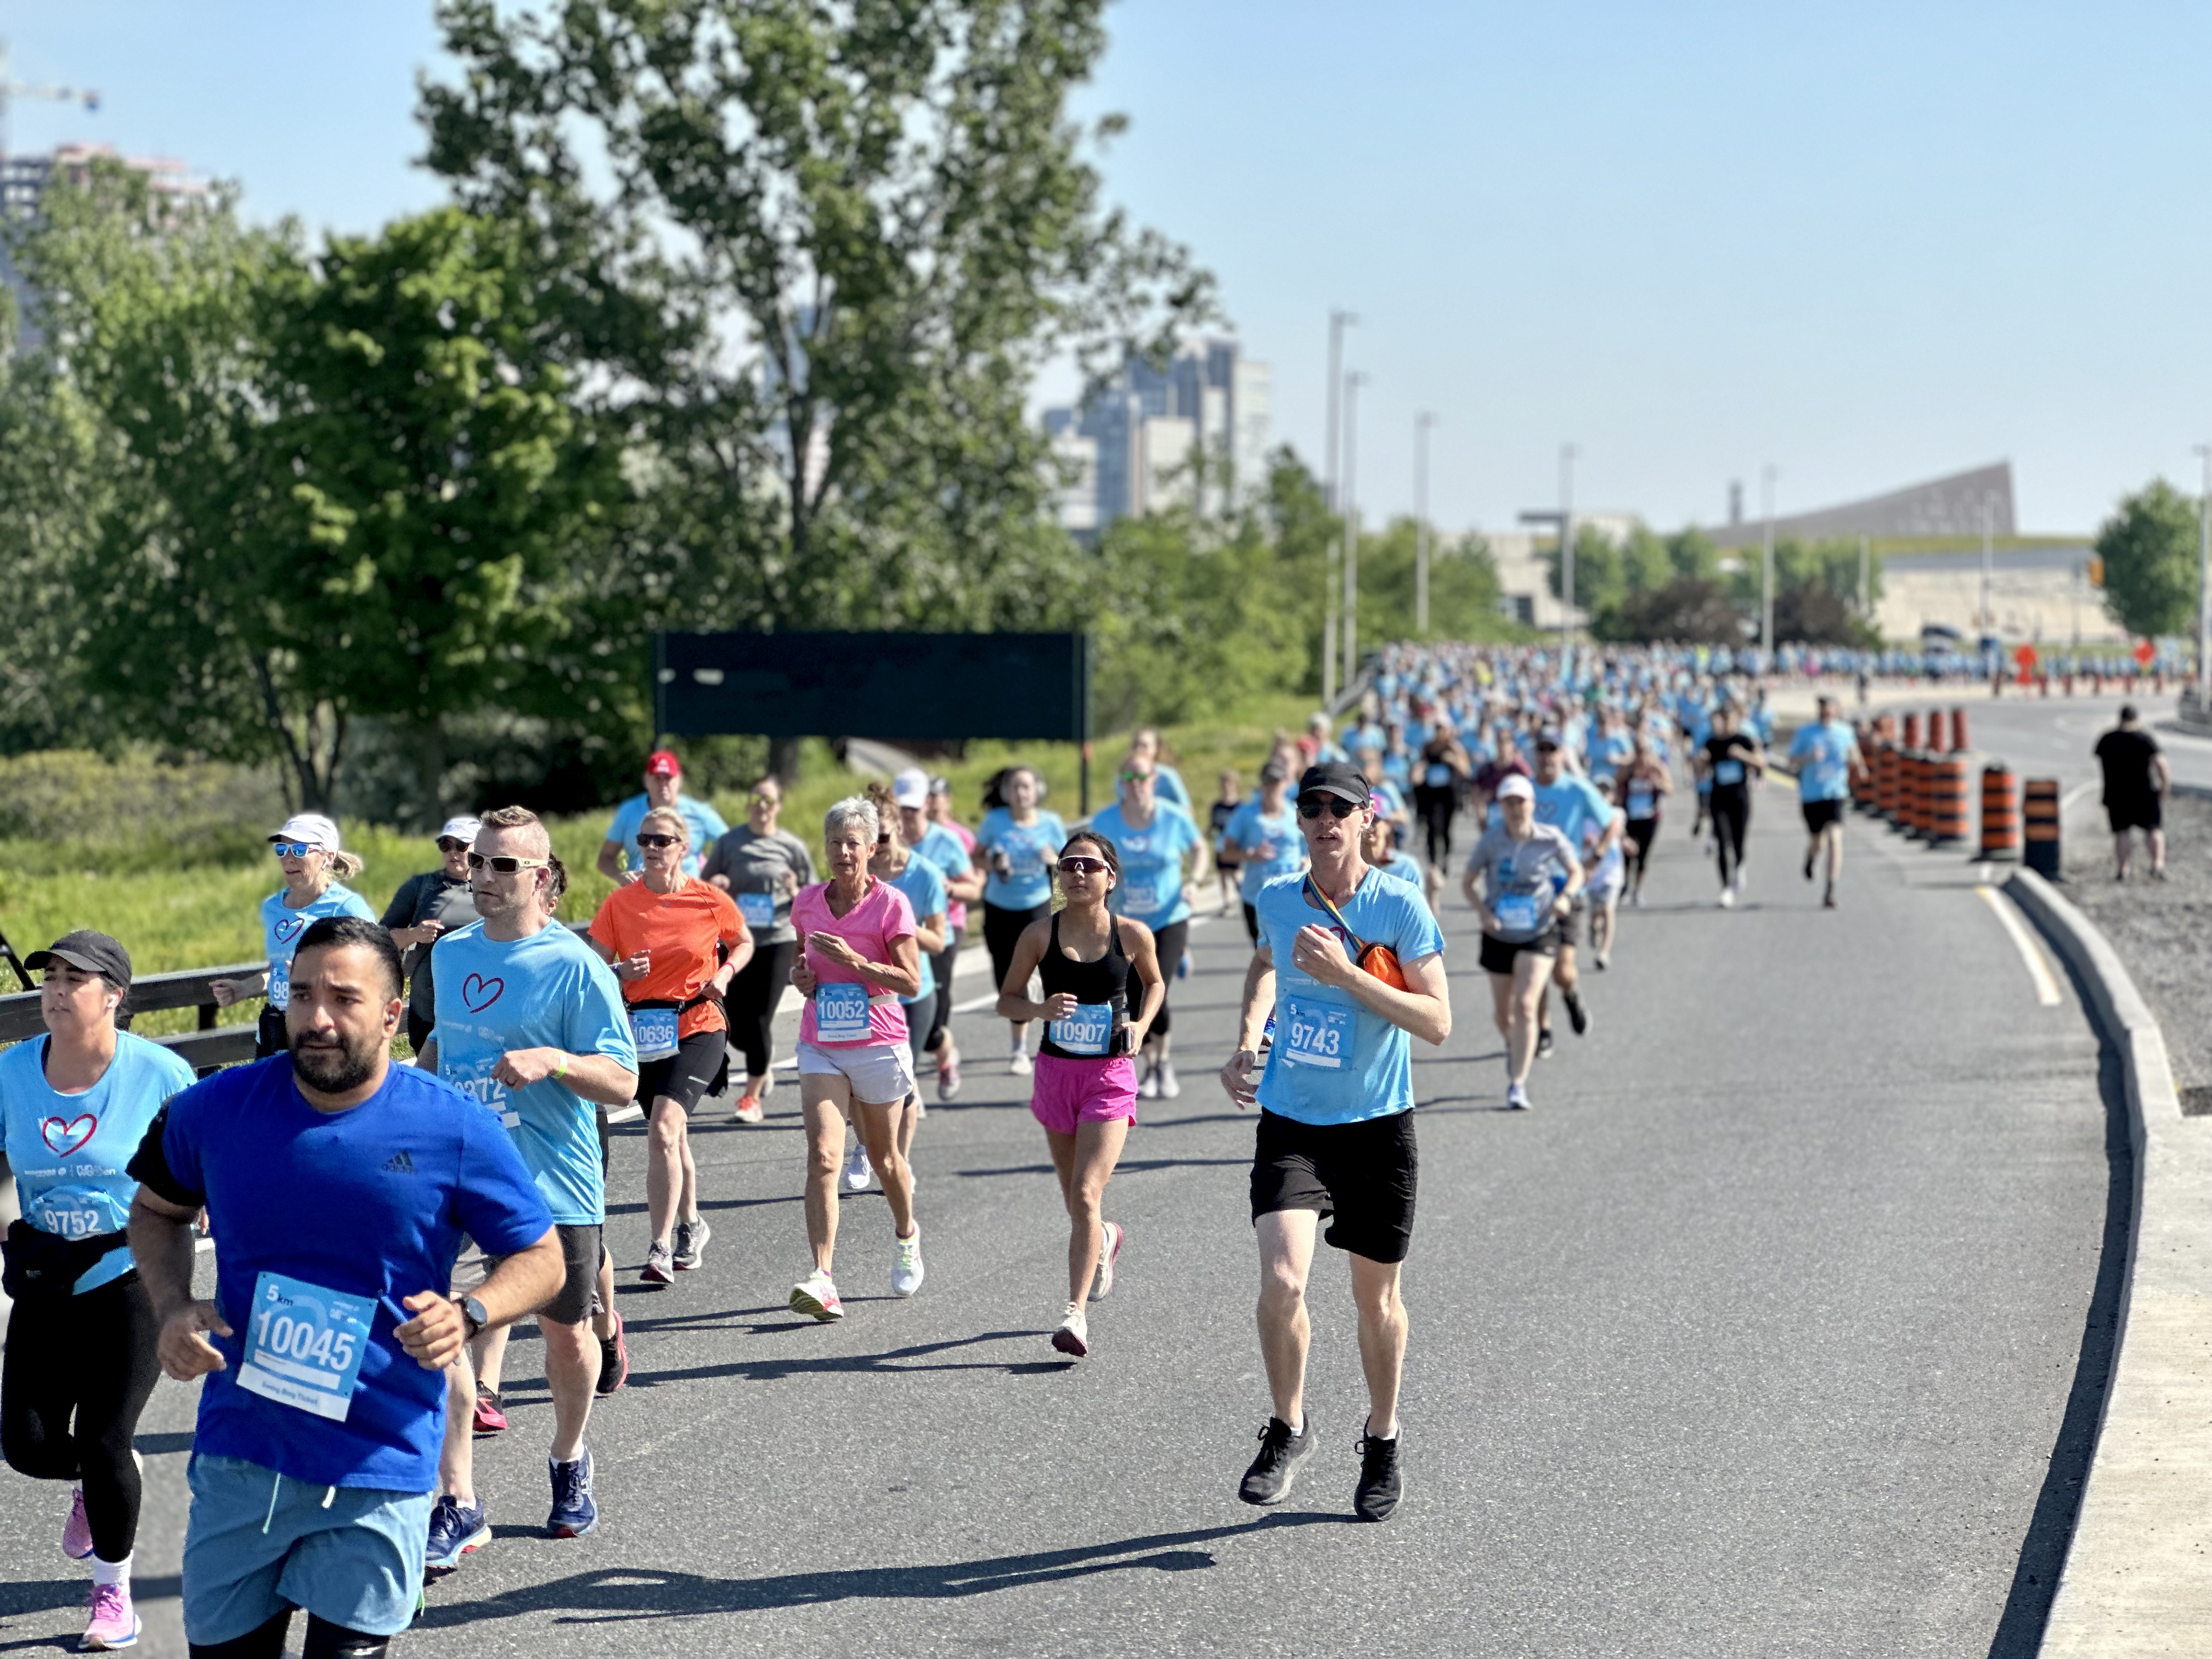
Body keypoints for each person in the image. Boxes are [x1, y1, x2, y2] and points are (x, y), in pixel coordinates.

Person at [125, 916, 563, 1659]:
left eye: (342, 998)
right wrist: (171, 1305)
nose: (316, 1018)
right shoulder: (215, 1110)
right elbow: (156, 1212)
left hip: (378, 1460)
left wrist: (470, 1312)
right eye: (300, 996)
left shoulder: (452, 1128)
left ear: (393, 1014)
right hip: (245, 1451)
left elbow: (543, 1258)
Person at [1220, 760, 1450, 1523]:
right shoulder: (1279, 899)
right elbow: (1264, 965)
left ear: (1367, 818)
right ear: (1299, 820)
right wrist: (1249, 1038)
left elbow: (1438, 1022)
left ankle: (1383, 1436)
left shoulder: (1400, 904)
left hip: (1379, 1127)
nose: (1326, 819)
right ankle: (1288, 1426)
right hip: (1292, 1122)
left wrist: (1349, 976)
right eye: (1312, 807)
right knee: (1283, 1280)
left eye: (1340, 808)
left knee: (1374, 1298)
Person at [417, 808, 639, 1560]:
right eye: (477, 863)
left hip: (553, 1182)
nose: (481, 877)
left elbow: (624, 1080)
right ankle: (459, 1500)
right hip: (455, 1175)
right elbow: (445, 1044)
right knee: (439, 1320)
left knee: (566, 1336)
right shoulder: (447, 955)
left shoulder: (576, 965)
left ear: (540, 878)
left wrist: (558, 1061)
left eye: (501, 866)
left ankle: (570, 1457)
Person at [2, 932, 196, 1652]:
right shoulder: (12, 1073)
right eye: (49, 977)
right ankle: (96, 1478)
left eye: (73, 979)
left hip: (130, 1276)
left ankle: (113, 1592)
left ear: (113, 995)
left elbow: (205, 1156)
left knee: (107, 1438)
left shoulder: (161, 1073)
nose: (54, 990)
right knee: (24, 1446)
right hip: (46, 1279)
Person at [995, 831, 1164, 1357]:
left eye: (1088, 866)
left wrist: (1141, 1022)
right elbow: (1007, 1001)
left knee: (1087, 1193)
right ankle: (1106, 1239)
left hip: (1109, 1075)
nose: (1077, 874)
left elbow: (1155, 983)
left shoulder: (1131, 934)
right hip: (1056, 1074)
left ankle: (1075, 1315)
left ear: (1110, 877)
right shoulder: (1038, 935)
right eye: (1068, 866)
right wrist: (1039, 1012)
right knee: (1076, 1201)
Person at [587, 806, 751, 1282]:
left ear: (683, 847)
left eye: (662, 840)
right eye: (645, 840)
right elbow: (595, 972)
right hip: (642, 1031)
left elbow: (743, 942)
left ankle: (658, 1248)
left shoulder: (708, 899)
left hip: (698, 1022)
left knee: (663, 1128)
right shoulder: (619, 904)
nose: (652, 849)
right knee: (672, 1136)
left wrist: (725, 972)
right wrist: (622, 973)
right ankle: (692, 1225)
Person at [787, 795, 927, 1322]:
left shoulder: (891, 905)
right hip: (821, 1038)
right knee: (824, 1157)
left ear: (871, 848)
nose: (843, 852)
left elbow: (911, 980)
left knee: (886, 1158)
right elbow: (802, 967)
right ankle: (823, 1277)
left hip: (878, 1039)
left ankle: (906, 1234)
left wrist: (858, 961)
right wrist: (802, 979)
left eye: (853, 843)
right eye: (835, 843)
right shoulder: (807, 902)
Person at [1088, 759, 1209, 1099]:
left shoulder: (1172, 816)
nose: (1135, 782)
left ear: (1154, 780)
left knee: (1157, 987)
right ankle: (1153, 1062)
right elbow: (1092, 858)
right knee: (1136, 994)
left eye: (1142, 776)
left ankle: (1163, 1061)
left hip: (1169, 916)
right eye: (1128, 776)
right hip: (1125, 921)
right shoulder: (1106, 820)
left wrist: (1195, 882)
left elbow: (1199, 849)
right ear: (1121, 781)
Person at [212, 815, 377, 1061]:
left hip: (322, 1033)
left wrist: (314, 981)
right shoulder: (272, 908)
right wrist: (243, 989)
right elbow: (280, 970)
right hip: (274, 1031)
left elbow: (374, 970)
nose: (289, 857)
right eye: (282, 849)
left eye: (300, 849)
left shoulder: (347, 908)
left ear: (328, 857)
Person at [703, 775, 816, 1124]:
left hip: (777, 939)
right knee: (735, 1022)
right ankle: (760, 1064)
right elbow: (705, 886)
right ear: (749, 802)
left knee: (761, 1019)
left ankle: (751, 1098)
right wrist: (718, 885)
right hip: (737, 940)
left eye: (769, 800)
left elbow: (813, 894)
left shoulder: (791, 846)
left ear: (778, 806)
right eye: (757, 798)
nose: (762, 806)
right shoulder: (729, 842)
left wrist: (795, 887)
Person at [860, 786, 949, 1195]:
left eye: (885, 838)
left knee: (905, 1084)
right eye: (870, 841)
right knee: (861, 1080)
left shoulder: (925, 873)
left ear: (899, 828)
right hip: (867, 991)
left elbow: (940, 939)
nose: (877, 850)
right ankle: (866, 1147)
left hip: (914, 992)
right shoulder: (860, 872)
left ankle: (899, 1160)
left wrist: (899, 929)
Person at [973, 767, 1067, 1075]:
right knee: (1004, 976)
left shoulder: (1051, 823)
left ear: (1037, 790)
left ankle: (1020, 1049)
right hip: (999, 906)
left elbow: (1068, 865)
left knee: (1030, 972)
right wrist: (994, 863)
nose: (1021, 793)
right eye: (1015, 787)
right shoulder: (995, 822)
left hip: (1035, 904)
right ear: (1006, 793)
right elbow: (976, 857)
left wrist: (1053, 861)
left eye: (1026, 786)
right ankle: (1021, 1025)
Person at [1525, 734, 1613, 1053]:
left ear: (1562, 754)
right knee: (1535, 968)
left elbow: (1612, 821)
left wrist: (1596, 857)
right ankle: (1543, 1029)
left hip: (1567, 887)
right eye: (1542, 749)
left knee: (1562, 970)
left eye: (1553, 750)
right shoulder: (1525, 790)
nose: (1547, 756)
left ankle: (1572, 993)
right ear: (1535, 754)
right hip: (1530, 890)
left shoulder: (1577, 789)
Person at [893, 768, 978, 1102]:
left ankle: (944, 1059)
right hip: (895, 936)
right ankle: (901, 1090)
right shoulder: (887, 842)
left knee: (929, 1022)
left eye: (913, 808)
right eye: (902, 808)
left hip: (943, 930)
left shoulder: (947, 840)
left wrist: (951, 887)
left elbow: (974, 888)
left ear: (928, 804)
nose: (907, 816)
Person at [380, 817, 482, 1053]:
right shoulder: (420, 887)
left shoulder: (491, 887)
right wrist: (414, 934)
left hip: (479, 1009)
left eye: (461, 845)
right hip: (428, 1013)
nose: (453, 853)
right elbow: (379, 938)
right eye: (445, 846)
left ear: (479, 848)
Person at [596, 749, 728, 885]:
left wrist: (717, 874)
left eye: (668, 778)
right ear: (646, 780)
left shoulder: (699, 812)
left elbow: (733, 845)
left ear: (679, 780)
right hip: (641, 896)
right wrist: (620, 876)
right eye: (657, 778)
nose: (663, 783)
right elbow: (605, 858)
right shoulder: (629, 812)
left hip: (689, 897)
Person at [1787, 695, 1866, 908]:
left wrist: (1859, 767)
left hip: (1836, 792)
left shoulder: (1845, 732)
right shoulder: (1806, 733)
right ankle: (1810, 859)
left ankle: (1830, 890)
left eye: (1830, 709)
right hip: (1812, 794)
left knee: (1835, 838)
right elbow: (1791, 759)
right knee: (1818, 842)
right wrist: (1810, 757)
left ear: (1837, 710)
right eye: (1823, 709)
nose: (1826, 713)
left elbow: (1854, 752)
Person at [1221, 759, 1307, 944]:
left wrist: (1307, 860)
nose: (1272, 788)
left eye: (1277, 782)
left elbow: (1311, 846)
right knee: (1264, 957)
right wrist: (1249, 855)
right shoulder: (1246, 815)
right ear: (1261, 786)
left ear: (1286, 784)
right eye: (1268, 782)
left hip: (1291, 897)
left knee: (1291, 954)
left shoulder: (1296, 813)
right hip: (1256, 898)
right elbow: (1225, 853)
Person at [1697, 704, 1764, 907]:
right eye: (1723, 718)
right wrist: (1701, 762)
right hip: (1719, 798)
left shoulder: (1743, 740)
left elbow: (1761, 763)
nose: (1726, 722)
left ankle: (1740, 865)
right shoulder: (1711, 742)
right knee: (1722, 843)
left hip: (1740, 797)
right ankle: (1726, 888)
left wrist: (1743, 755)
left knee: (1739, 842)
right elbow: (1701, 773)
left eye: (1730, 718)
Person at [2095, 703, 2170, 881]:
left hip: (2116, 794)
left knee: (2122, 832)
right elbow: (2161, 764)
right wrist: (2165, 786)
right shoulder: (2144, 739)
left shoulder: (2107, 739)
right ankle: (2158, 865)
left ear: (2120, 718)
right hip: (2144, 793)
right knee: (2153, 830)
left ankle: (2123, 870)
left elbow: (2100, 762)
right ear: (2136, 719)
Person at [1616, 735, 1673, 909]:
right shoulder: (1628, 768)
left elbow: (1669, 789)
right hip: (1631, 815)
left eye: (1645, 751)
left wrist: (1657, 783)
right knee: (1627, 855)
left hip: (1650, 817)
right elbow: (1618, 786)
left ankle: (1638, 890)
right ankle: (1625, 886)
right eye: (1639, 751)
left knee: (1643, 855)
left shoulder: (1657, 768)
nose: (1642, 755)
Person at [1412, 724, 1470, 872]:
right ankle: (1432, 862)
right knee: (1432, 828)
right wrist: (1420, 769)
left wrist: (1454, 761)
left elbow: (1466, 771)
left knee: (1445, 829)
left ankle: (1445, 858)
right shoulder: (1429, 747)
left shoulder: (1454, 748)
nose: (1440, 733)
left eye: (1443, 729)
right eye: (1437, 729)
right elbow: (1420, 766)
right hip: (1431, 795)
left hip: (1448, 795)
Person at [1584, 779, 1628, 969]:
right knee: (1595, 912)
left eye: (1607, 793)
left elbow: (1620, 833)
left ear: (1613, 796)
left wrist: (1627, 843)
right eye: (1599, 792)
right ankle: (1594, 927)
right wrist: (1586, 842)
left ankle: (1604, 952)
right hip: (1592, 872)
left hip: (1612, 871)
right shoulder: (1585, 818)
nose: (1603, 797)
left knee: (1608, 909)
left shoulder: (1617, 814)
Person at [1126, 726, 1192, 810]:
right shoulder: (1125, 778)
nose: (1139, 750)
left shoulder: (1167, 775)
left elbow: (1186, 807)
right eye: (1136, 745)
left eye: (1144, 746)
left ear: (1156, 748)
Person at [1209, 769, 1246, 911]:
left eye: (1229, 784)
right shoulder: (1217, 806)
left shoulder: (1240, 807)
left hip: (1235, 845)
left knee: (1235, 874)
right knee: (1223, 874)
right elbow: (1214, 823)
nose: (1226, 787)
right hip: (1220, 844)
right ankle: (1226, 903)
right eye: (1223, 784)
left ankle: (1244, 898)